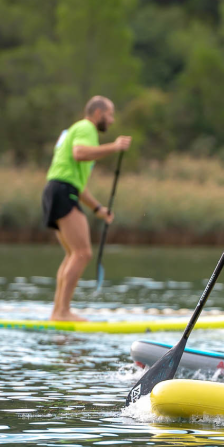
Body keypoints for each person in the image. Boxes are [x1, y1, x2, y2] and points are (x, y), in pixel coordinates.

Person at [42, 96, 131, 321]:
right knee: (82, 253)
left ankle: (57, 312)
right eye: (110, 114)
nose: (111, 120)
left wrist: (98, 208)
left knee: (73, 254)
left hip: (57, 190)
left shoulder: (76, 130)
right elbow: (79, 153)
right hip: (62, 191)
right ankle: (62, 312)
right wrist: (115, 147)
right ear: (99, 113)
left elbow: (77, 185)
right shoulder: (86, 127)